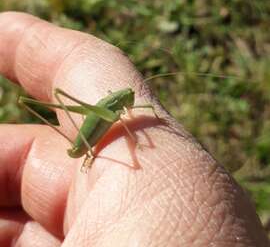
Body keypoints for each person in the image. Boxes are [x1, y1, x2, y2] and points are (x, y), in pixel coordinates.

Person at [0, 12, 268, 247]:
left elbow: (125, 112)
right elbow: (125, 120)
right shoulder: (118, 105)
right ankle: (86, 147)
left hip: (96, 126)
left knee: (107, 113)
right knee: (92, 109)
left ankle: (87, 148)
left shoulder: (119, 101)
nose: (131, 97)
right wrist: (137, 136)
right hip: (93, 129)